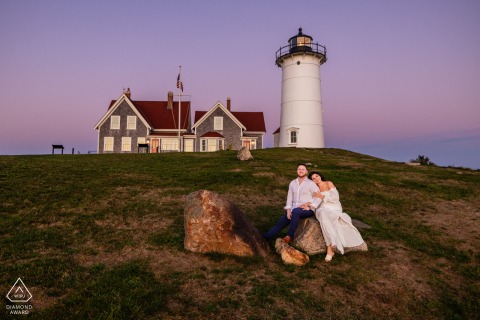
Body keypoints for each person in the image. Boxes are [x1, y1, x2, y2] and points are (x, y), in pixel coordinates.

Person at [308, 171, 366, 262]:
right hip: (321, 208)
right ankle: (332, 241)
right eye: (313, 179)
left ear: (320, 176)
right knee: (323, 216)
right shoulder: (315, 188)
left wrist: (322, 196)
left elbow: (335, 198)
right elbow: (311, 200)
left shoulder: (328, 183)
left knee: (325, 220)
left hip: (334, 208)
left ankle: (330, 249)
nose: (316, 179)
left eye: (317, 176)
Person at [263, 164, 321, 244]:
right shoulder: (292, 183)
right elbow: (289, 198)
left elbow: (318, 197)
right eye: (299, 169)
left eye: (303, 169)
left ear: (306, 171)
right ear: (297, 171)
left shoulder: (311, 183)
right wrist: (288, 211)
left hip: (308, 209)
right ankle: (265, 237)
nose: (301, 171)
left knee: (296, 211)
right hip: (294, 209)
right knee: (280, 223)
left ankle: (290, 236)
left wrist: (309, 205)